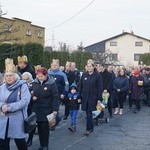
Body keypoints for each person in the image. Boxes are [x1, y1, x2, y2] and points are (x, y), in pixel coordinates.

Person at [0, 64, 31, 150]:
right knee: (3, 143)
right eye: (6, 76)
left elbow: (25, 101)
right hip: (3, 120)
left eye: (11, 76)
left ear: (16, 76)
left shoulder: (22, 86)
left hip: (17, 120)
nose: (8, 78)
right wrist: (2, 106)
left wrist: (9, 107)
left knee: (20, 143)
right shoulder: (2, 87)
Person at [30, 67, 59, 150]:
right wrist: (32, 97)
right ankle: (41, 145)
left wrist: (55, 109)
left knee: (44, 128)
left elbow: (55, 97)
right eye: (38, 76)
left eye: (42, 76)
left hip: (47, 109)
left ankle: (45, 145)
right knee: (39, 128)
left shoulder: (51, 83)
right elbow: (28, 93)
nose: (40, 78)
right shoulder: (34, 83)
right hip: (36, 109)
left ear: (46, 75)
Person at [78, 60, 103, 135]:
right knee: (87, 113)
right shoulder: (84, 75)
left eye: (90, 66)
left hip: (93, 97)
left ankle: (88, 129)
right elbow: (80, 86)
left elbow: (100, 88)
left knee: (89, 113)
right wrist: (79, 96)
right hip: (85, 97)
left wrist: (99, 99)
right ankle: (91, 127)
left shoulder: (97, 75)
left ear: (93, 67)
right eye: (87, 66)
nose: (89, 68)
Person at [21, 72, 35, 147]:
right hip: (22, 108)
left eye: (27, 79)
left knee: (30, 123)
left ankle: (30, 139)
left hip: (31, 107)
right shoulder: (20, 85)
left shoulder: (33, 85)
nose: (25, 81)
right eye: (24, 79)